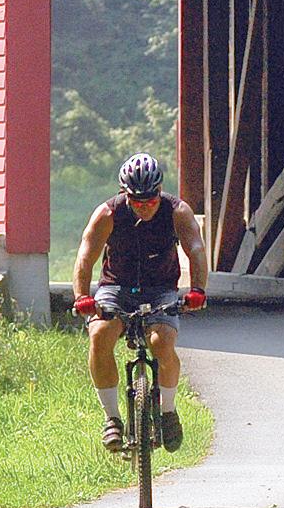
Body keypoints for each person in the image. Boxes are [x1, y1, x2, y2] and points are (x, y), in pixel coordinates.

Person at [72, 153, 208, 453]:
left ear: (160, 191)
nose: (144, 207)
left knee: (162, 342)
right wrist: (82, 297)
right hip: (116, 286)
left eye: (151, 200)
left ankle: (168, 411)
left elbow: (196, 250)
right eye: (136, 201)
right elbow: (85, 255)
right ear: (125, 194)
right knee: (99, 335)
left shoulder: (177, 212)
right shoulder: (107, 214)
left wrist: (198, 290)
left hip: (160, 288)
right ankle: (112, 418)